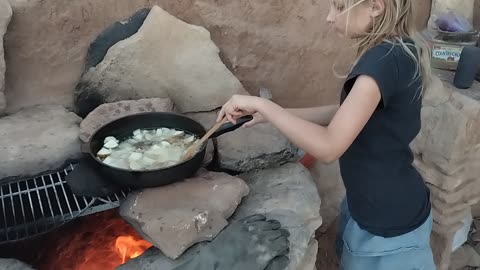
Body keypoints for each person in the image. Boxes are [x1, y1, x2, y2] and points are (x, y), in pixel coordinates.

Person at [216, 0, 435, 269]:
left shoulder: (382, 62)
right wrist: (272, 115)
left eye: (340, 6)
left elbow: (330, 147)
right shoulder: (398, 50)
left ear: (376, 7)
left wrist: (265, 105)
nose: (330, 17)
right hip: (373, 204)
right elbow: (345, 113)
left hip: (388, 227)